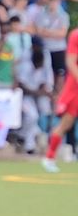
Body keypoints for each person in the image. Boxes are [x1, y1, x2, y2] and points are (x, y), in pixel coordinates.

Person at [42, 25, 78, 172]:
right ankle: (49, 157)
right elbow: (70, 62)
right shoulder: (76, 35)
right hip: (74, 88)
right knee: (66, 123)